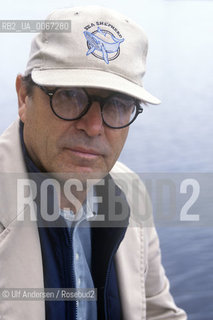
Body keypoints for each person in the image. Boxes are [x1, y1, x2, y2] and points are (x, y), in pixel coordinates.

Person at [0, 5, 187, 320]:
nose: (94, 126)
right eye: (69, 96)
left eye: (118, 105)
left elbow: (158, 312)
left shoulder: (131, 193)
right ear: (23, 98)